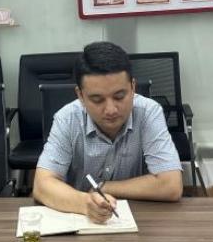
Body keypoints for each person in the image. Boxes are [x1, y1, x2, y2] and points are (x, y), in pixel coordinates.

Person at [33, 42, 182, 223]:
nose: (111, 109)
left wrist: (105, 187)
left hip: (141, 220)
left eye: (119, 96)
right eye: (97, 100)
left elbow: (171, 185)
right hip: (80, 221)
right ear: (80, 95)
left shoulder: (148, 112)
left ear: (133, 87)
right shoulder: (67, 118)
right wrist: (85, 203)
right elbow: (42, 185)